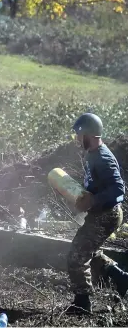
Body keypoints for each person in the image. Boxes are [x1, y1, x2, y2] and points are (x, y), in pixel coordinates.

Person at [67, 113, 127, 314]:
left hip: (107, 214)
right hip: (101, 213)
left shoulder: (102, 157)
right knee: (87, 250)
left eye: (79, 134)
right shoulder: (92, 153)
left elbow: (119, 189)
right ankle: (120, 277)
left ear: (89, 134)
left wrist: (94, 200)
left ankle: (82, 303)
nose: (76, 139)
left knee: (76, 255)